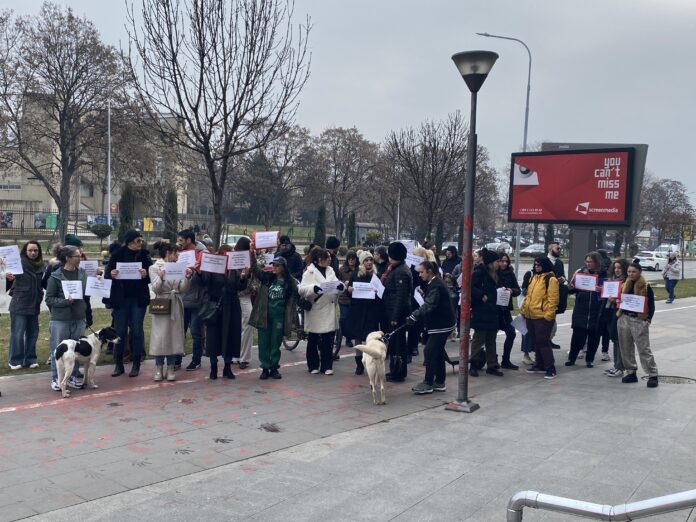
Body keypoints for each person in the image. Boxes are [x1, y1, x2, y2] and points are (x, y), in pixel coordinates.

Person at [105, 230, 153, 377]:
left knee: (137, 331)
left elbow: (151, 275)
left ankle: (136, 363)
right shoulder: (118, 254)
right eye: (138, 240)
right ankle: (119, 364)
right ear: (130, 241)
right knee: (120, 332)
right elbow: (108, 274)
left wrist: (146, 275)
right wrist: (112, 274)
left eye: (141, 241)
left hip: (138, 299)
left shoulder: (144, 255)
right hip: (122, 299)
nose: (141, 243)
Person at [198, 244, 247, 380]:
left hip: (231, 306)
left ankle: (227, 367)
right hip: (216, 306)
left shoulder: (234, 269)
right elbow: (205, 281)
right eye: (227, 253)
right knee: (214, 337)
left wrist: (243, 277)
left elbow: (239, 287)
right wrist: (200, 270)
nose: (230, 255)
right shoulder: (214, 266)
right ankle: (213, 367)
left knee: (230, 336)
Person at [45, 245, 90, 391]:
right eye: (77, 256)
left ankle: (72, 376)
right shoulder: (55, 276)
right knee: (58, 350)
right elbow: (49, 299)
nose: (80, 258)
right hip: (60, 319)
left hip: (79, 317)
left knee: (75, 350)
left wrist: (97, 281)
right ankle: (56, 378)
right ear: (68, 258)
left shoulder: (83, 273)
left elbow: (87, 292)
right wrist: (65, 302)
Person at [408, 261, 456, 394]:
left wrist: (414, 315)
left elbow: (429, 304)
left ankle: (428, 382)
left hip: (442, 324)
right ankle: (440, 382)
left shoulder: (436, 285)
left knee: (429, 351)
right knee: (438, 351)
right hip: (443, 323)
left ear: (429, 271)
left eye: (422, 272)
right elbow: (432, 301)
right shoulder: (435, 283)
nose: (420, 274)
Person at [148, 241, 193, 382]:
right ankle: (159, 367)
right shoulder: (154, 267)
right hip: (162, 303)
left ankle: (171, 367)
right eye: (175, 253)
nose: (177, 255)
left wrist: (187, 277)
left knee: (174, 336)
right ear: (168, 253)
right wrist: (161, 277)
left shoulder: (178, 267)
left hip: (175, 303)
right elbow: (155, 288)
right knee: (160, 337)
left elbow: (183, 288)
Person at [248, 256, 298, 379]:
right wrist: (252, 254)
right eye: (273, 265)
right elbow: (255, 270)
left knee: (275, 342)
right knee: (263, 342)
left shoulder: (290, 282)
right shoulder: (267, 278)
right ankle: (265, 367)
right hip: (264, 315)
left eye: (277, 265)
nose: (274, 267)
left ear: (283, 267)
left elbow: (295, 297)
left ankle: (274, 367)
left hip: (279, 317)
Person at [299, 247, 341, 375]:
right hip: (315, 308)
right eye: (326, 258)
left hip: (328, 308)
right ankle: (313, 365)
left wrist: (340, 287)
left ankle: (327, 365)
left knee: (328, 339)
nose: (329, 260)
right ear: (318, 260)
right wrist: (313, 288)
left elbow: (336, 284)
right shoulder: (309, 272)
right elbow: (301, 289)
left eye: (329, 257)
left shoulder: (331, 271)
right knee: (313, 338)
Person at [617, 262, 658, 388]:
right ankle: (631, 372)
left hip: (639, 320)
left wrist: (648, 319)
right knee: (625, 346)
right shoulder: (624, 284)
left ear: (639, 272)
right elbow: (619, 299)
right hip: (624, 318)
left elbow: (651, 304)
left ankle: (652, 374)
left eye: (633, 272)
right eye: (629, 272)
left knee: (643, 348)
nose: (631, 274)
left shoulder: (645, 286)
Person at [5, 241, 45, 370]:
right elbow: (6, 280)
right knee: (18, 333)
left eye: (35, 250)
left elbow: (43, 283)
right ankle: (15, 360)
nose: (33, 253)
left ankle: (30, 359)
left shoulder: (41, 265)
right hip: (19, 304)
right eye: (30, 250)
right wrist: (7, 277)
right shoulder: (17, 263)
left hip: (34, 304)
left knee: (33, 333)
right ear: (25, 251)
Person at [565, 251, 607, 369]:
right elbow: (572, 289)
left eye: (590, 262)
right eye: (586, 261)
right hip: (581, 309)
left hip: (596, 310)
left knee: (594, 336)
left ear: (597, 262)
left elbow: (610, 291)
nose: (588, 264)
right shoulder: (580, 272)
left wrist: (601, 290)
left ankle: (590, 359)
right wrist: (570, 288)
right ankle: (572, 358)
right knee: (578, 335)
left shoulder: (605, 274)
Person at [520, 256, 560, 379]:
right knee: (537, 341)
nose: (536, 267)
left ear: (545, 265)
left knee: (543, 342)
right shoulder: (534, 277)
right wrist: (524, 310)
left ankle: (550, 367)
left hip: (542, 316)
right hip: (531, 315)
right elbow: (528, 296)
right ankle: (539, 364)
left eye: (539, 265)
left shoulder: (551, 279)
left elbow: (553, 300)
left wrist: (548, 316)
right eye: (535, 265)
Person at [469, 249, 504, 377]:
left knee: (491, 339)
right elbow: (471, 287)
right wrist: (481, 295)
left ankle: (492, 365)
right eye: (497, 261)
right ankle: (473, 363)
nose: (499, 264)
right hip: (482, 311)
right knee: (479, 339)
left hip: (493, 310)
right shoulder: (479, 272)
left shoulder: (497, 273)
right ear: (490, 262)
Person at [175, 229, 206, 372]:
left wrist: (197, 272)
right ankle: (176, 360)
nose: (178, 243)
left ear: (188, 240)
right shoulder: (178, 255)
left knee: (195, 331)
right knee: (180, 331)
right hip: (181, 298)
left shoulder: (202, 254)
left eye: (181, 240)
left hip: (197, 299)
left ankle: (196, 360)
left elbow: (207, 278)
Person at [381, 241, 412, 382]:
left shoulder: (401, 272)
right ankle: (394, 369)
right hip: (392, 308)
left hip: (397, 312)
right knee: (394, 343)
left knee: (398, 344)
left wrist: (394, 316)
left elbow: (401, 296)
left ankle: (398, 372)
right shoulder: (396, 268)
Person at [346, 250, 381, 375]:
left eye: (371, 260)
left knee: (371, 338)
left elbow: (381, 293)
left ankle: (370, 360)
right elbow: (349, 290)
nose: (369, 262)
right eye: (366, 260)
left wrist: (378, 292)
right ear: (362, 262)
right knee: (358, 337)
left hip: (371, 311)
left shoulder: (376, 275)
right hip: (358, 310)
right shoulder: (355, 274)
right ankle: (359, 363)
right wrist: (349, 290)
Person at [604, 258, 629, 378]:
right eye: (615, 268)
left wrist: (616, 300)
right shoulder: (612, 280)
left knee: (619, 341)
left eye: (619, 268)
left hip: (620, 313)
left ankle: (620, 367)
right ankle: (616, 365)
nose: (617, 270)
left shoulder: (627, 282)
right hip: (610, 312)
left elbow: (628, 299)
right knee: (614, 339)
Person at [235, 237, 257, 370]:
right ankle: (235, 355)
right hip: (235, 296)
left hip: (245, 296)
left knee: (248, 323)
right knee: (235, 326)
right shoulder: (235, 257)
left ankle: (244, 357)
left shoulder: (251, 258)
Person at [497, 253, 521, 370]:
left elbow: (518, 290)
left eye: (506, 261)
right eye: (502, 261)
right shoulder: (493, 273)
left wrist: (512, 290)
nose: (504, 263)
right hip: (495, 309)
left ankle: (505, 360)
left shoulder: (510, 273)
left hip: (506, 309)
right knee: (489, 336)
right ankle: (490, 360)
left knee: (511, 333)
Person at [335, 250, 358, 354]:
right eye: (349, 258)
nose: (351, 260)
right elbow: (337, 281)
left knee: (351, 320)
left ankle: (348, 338)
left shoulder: (359, 270)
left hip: (355, 299)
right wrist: (344, 283)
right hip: (343, 298)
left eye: (353, 259)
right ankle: (339, 337)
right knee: (343, 318)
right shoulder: (342, 269)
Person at [547, 241, 567, 349]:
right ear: (550, 249)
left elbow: (563, 275)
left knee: (552, 321)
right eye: (557, 248)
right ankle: (544, 341)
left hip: (556, 294)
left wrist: (562, 280)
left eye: (560, 248)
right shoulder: (543, 260)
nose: (559, 250)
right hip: (544, 295)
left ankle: (549, 340)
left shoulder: (560, 263)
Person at [519, 269, 536, 365]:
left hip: (539, 308)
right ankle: (526, 354)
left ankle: (536, 354)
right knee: (526, 331)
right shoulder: (530, 274)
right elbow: (523, 290)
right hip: (527, 308)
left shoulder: (548, 275)